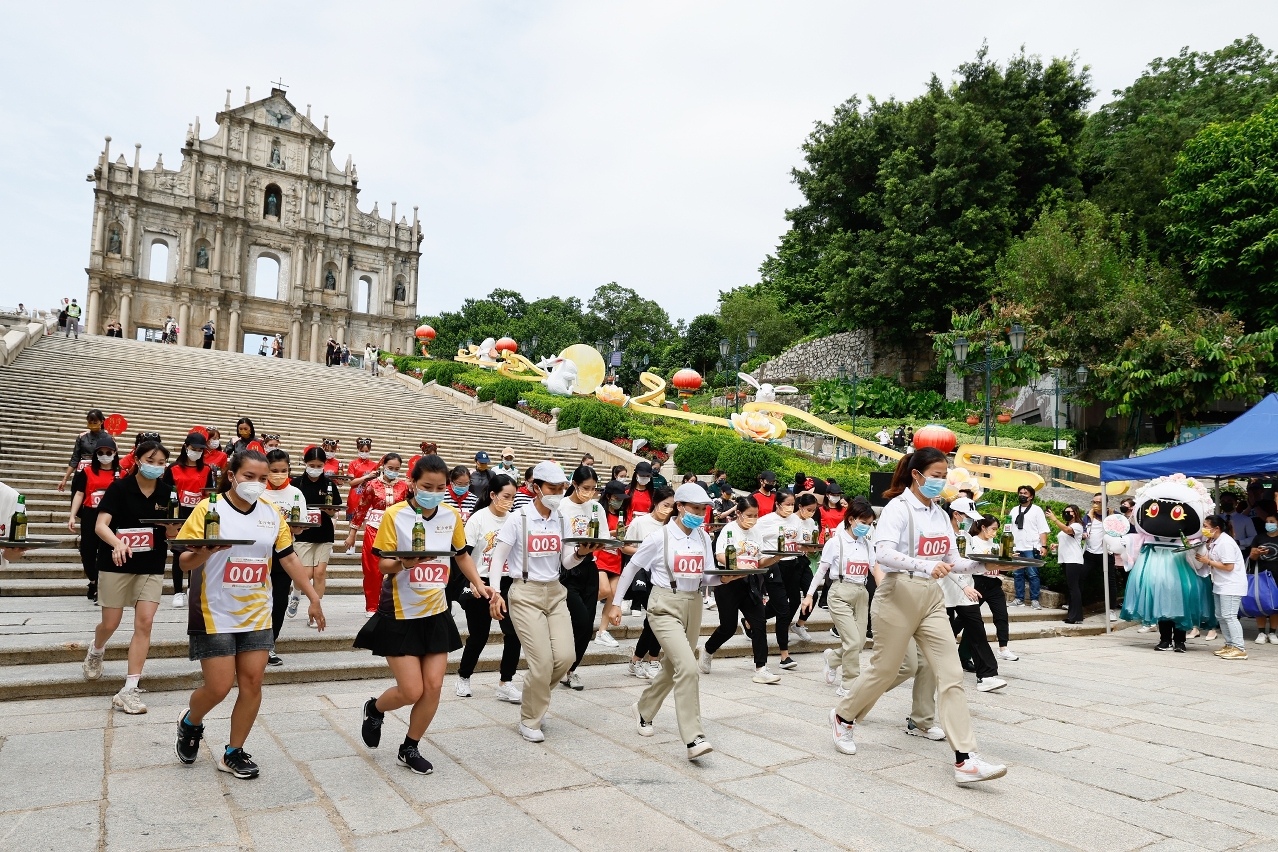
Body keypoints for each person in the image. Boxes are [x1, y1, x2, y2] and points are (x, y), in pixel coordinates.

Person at [828, 447, 1007, 785]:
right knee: (885, 669)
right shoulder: (898, 509)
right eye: (936, 476)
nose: (941, 482)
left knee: (951, 673)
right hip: (897, 594)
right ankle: (843, 716)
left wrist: (985, 564)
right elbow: (883, 553)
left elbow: (952, 560)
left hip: (931, 598)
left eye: (944, 476)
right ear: (917, 474)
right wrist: (924, 565)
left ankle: (966, 758)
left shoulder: (940, 515)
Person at [173, 451, 325, 779]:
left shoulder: (271, 513)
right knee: (218, 687)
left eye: (262, 478)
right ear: (232, 476)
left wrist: (313, 597)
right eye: (248, 477)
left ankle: (233, 752)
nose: (256, 484)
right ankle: (190, 722)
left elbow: (288, 558)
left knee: (253, 683)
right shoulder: (208, 509)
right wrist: (203, 552)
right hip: (214, 610)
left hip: (257, 611)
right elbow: (183, 561)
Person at [355, 454, 492, 774]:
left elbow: (461, 555)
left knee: (432, 687)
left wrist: (478, 583)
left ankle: (409, 747)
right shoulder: (395, 514)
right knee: (411, 690)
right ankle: (374, 709)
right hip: (399, 613)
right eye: (427, 486)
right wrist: (406, 562)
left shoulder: (450, 516)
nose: (434, 492)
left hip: (435, 611)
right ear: (413, 484)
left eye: (440, 487)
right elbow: (383, 564)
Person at [485, 461, 604, 742]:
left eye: (561, 488)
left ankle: (534, 700)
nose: (558, 493)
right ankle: (530, 718)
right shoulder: (519, 518)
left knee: (565, 657)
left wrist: (581, 553)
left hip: (555, 591)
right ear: (536, 488)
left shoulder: (560, 518)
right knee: (541, 662)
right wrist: (495, 592)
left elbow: (566, 561)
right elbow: (498, 558)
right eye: (552, 488)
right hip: (525, 593)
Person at [605, 482, 718, 759]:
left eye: (703, 509)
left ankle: (643, 709)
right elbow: (632, 567)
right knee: (688, 667)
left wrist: (730, 576)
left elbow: (708, 576)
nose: (699, 514)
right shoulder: (660, 537)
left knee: (672, 666)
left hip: (694, 603)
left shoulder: (704, 538)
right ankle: (694, 737)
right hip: (664, 604)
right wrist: (616, 603)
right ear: (680, 507)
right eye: (694, 508)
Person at [81, 439, 176, 714]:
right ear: (137, 460)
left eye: (161, 463)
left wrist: (172, 529)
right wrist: (118, 543)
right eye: (151, 461)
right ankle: (97, 649)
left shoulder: (168, 493)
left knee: (144, 622)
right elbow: (101, 526)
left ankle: (130, 689)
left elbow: (172, 533)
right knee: (110, 623)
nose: (156, 467)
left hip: (151, 564)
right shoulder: (119, 488)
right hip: (116, 562)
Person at [700, 497, 783, 684]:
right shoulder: (729, 530)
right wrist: (739, 565)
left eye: (756, 515)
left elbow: (759, 561)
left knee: (759, 623)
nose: (753, 519)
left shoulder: (756, 532)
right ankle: (707, 650)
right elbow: (720, 556)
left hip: (750, 583)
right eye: (749, 515)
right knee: (728, 627)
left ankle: (761, 668)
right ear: (738, 513)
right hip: (728, 583)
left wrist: (775, 558)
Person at [459, 474, 523, 702]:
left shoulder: (515, 520)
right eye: (506, 496)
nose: (510, 501)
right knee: (479, 636)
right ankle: (464, 676)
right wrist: (472, 581)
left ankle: (506, 682)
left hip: (507, 581)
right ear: (493, 495)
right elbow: (464, 555)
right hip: (481, 581)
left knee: (514, 634)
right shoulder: (478, 519)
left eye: (513, 497)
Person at [805, 498, 875, 696]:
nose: (867, 527)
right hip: (839, 593)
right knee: (852, 641)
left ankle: (833, 658)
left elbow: (875, 569)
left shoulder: (867, 545)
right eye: (863, 523)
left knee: (859, 642)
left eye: (870, 524)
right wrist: (809, 595)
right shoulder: (835, 543)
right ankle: (849, 685)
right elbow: (821, 571)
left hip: (861, 593)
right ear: (851, 519)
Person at [557, 469, 612, 686]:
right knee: (578, 620)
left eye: (593, 489)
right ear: (574, 484)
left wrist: (596, 544)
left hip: (589, 566)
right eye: (585, 488)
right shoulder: (562, 507)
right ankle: (560, 662)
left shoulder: (596, 508)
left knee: (588, 625)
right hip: (567, 569)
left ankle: (571, 670)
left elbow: (604, 535)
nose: (589, 493)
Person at [944, 500, 1006, 692]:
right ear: (956, 515)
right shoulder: (943, 534)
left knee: (977, 630)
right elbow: (945, 564)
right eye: (968, 517)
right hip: (945, 589)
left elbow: (970, 563)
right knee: (943, 631)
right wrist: (963, 586)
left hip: (966, 590)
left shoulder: (967, 538)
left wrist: (997, 566)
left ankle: (987, 675)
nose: (972, 522)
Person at [260, 448, 308, 665]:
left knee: (279, 602)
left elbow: (300, 526)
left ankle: (269, 644)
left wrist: (297, 528)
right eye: (274, 470)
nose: (279, 475)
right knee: (259, 600)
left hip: (283, 553)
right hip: (258, 554)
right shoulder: (258, 491)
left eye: (283, 471)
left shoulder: (296, 493)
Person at [347, 454, 410, 615]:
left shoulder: (404, 487)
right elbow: (361, 509)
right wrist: (352, 533)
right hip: (374, 529)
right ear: (383, 467)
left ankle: (394, 604)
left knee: (399, 567)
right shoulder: (372, 485)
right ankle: (372, 606)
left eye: (397, 469)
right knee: (372, 570)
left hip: (397, 531)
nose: (393, 471)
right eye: (390, 468)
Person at [624, 485, 675, 677]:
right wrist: (647, 552)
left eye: (672, 506)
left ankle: (639, 660)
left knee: (655, 620)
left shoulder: (673, 526)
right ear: (655, 502)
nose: (668, 509)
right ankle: (652, 660)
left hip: (665, 578)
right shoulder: (640, 522)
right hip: (644, 576)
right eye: (665, 505)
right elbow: (625, 547)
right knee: (656, 618)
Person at [161, 432, 216, 609]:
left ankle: (193, 588)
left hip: (198, 515)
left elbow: (209, 492)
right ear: (186, 447)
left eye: (200, 450)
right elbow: (165, 492)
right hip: (178, 514)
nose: (197, 452)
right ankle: (178, 591)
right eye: (194, 449)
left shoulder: (206, 469)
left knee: (197, 552)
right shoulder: (173, 468)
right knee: (179, 553)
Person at [289, 446, 342, 628]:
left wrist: (330, 511)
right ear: (305, 463)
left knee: (319, 573)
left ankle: (315, 609)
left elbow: (336, 508)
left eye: (319, 466)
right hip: (303, 533)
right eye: (312, 465)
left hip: (324, 532)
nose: (315, 468)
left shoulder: (329, 485)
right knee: (305, 575)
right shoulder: (296, 483)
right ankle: (296, 594)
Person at [68, 434, 120, 602]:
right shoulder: (87, 471)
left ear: (114, 453)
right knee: (87, 551)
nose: (105, 456)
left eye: (108, 452)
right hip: (91, 514)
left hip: (112, 517)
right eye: (101, 452)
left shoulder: (121, 474)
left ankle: (101, 586)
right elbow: (79, 494)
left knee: (107, 550)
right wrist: (72, 515)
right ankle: (93, 581)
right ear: (96, 454)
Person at [964, 514, 1017, 663]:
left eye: (996, 529)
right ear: (983, 527)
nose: (995, 532)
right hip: (978, 582)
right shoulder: (973, 541)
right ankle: (962, 653)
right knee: (967, 619)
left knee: (1001, 615)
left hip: (994, 583)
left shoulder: (994, 543)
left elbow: (999, 565)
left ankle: (1003, 648)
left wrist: (1008, 559)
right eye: (993, 529)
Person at [1194, 515, 1248, 660]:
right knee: (1221, 616)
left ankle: (1239, 648)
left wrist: (1207, 561)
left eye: (1206, 526)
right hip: (1220, 584)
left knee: (1229, 616)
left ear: (1216, 528)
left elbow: (1229, 567)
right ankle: (1229, 645)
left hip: (1231, 585)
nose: (1204, 529)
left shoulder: (1226, 543)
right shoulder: (1215, 541)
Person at [1009, 485, 1049, 609]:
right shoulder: (1014, 510)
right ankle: (1019, 599)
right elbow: (1009, 528)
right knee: (1017, 574)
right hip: (1017, 547)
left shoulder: (1037, 510)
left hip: (1031, 547)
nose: (1022, 495)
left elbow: (1042, 529)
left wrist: (1044, 546)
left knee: (1033, 574)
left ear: (1031, 496)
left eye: (1025, 493)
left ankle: (1034, 600)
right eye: (1020, 493)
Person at [1083, 494, 1119, 623]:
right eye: (1094, 501)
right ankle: (1076, 604)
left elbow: (1125, 529)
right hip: (1090, 553)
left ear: (1105, 503)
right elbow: (1083, 528)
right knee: (1080, 576)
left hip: (1106, 553)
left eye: (1098, 502)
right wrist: (1084, 533)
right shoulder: (1089, 515)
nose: (1095, 504)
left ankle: (1111, 610)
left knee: (1110, 582)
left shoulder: (1114, 515)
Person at [1047, 504, 1086, 623]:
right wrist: (1057, 545)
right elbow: (1071, 540)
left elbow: (1068, 531)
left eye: (1069, 512)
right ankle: (1072, 615)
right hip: (1066, 559)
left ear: (1075, 513)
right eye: (1065, 512)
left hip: (1073, 559)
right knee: (1071, 588)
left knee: (1074, 588)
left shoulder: (1077, 526)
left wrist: (1054, 519)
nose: (1066, 514)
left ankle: (1076, 617)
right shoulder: (1068, 526)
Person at [1247, 503, 1278, 643]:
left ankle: (1272, 632)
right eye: (1267, 522)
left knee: (1275, 605)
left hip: (1276, 575)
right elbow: (1252, 557)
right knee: (1260, 603)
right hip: (1261, 575)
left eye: (1272, 522)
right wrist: (1257, 553)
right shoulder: (1259, 538)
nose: (1269, 524)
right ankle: (1261, 632)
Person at [59, 409, 108, 492]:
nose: (92, 424)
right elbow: (75, 458)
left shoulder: (108, 438)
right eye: (90, 422)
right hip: (81, 474)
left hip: (98, 475)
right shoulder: (82, 436)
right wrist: (65, 479)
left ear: (102, 421)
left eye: (95, 422)